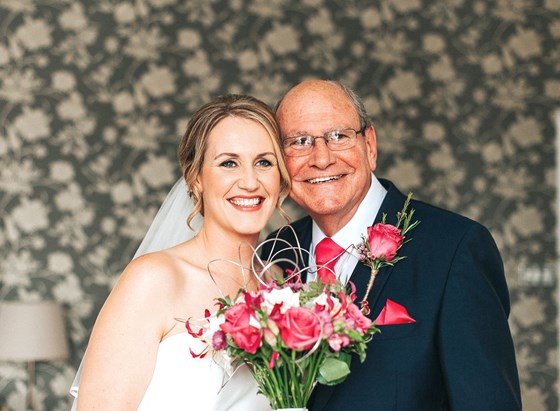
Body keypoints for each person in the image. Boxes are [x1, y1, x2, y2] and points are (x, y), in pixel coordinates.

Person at [262, 80, 522, 410]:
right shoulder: (274, 254)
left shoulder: (455, 248)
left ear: (370, 145)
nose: (321, 158)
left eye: (338, 136)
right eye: (299, 142)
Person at [73, 94, 290, 410]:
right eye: (229, 162)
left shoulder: (281, 285)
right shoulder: (154, 279)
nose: (249, 181)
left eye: (264, 162)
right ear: (196, 178)